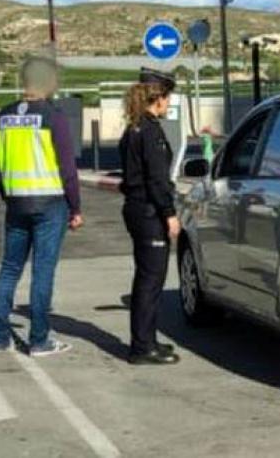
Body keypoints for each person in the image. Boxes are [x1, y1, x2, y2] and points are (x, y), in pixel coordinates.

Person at [0, 55, 84, 356]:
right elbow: (67, 169)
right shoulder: (53, 117)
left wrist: (8, 195)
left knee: (9, 269)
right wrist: (75, 207)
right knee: (42, 272)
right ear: (47, 82)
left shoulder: (2, 116)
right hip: (50, 203)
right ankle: (39, 339)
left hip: (16, 202)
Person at [118, 68, 181, 365]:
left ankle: (147, 339)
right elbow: (157, 179)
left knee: (147, 278)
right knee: (150, 280)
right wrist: (169, 214)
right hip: (148, 211)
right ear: (158, 99)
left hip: (136, 207)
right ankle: (142, 347)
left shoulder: (133, 128)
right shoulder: (151, 131)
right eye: (168, 99)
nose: (169, 105)